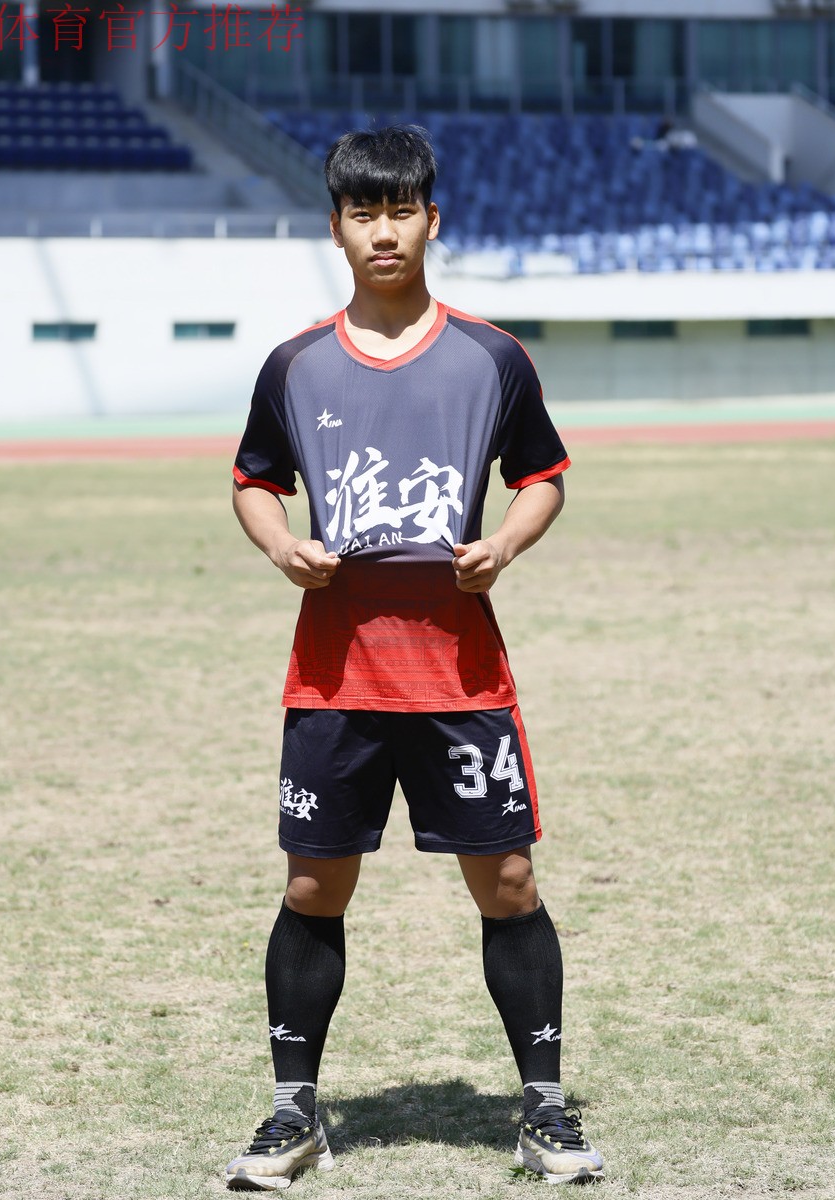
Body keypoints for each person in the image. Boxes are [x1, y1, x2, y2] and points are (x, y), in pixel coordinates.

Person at [225, 125, 604, 1191]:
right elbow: (254, 482)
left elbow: (543, 477)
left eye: (401, 211)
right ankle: (293, 1115)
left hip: (460, 677)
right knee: (312, 887)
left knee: (510, 884)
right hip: (334, 676)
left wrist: (505, 545)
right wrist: (281, 546)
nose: (383, 232)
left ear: (433, 219)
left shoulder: (491, 356)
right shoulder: (295, 364)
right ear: (337, 228)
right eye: (363, 213)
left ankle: (544, 1112)